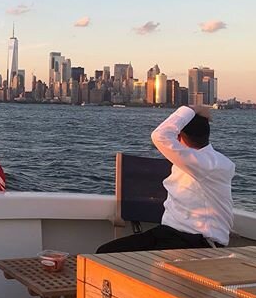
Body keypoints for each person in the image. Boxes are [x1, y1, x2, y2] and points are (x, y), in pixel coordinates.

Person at [97, 105, 235, 253]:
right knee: (104, 252)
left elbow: (160, 136)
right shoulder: (203, 161)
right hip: (170, 234)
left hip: (197, 242)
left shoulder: (206, 164)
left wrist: (192, 109)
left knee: (107, 254)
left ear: (179, 137)